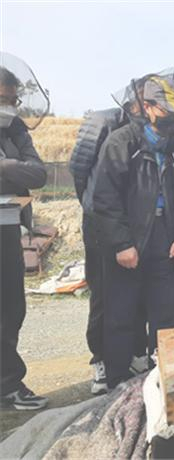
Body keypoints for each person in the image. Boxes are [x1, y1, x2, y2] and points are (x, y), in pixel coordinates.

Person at [92, 72, 174, 388]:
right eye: (167, 110)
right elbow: (105, 199)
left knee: (166, 318)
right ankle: (116, 385)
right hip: (130, 243)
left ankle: (165, 382)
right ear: (148, 106)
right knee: (121, 318)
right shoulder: (122, 142)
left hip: (167, 242)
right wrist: (122, 243)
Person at [69, 78, 150, 395]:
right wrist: (95, 211)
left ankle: (133, 354)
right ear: (134, 100)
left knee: (137, 292)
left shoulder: (152, 130)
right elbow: (78, 169)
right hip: (101, 222)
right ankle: (100, 360)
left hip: (136, 224)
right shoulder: (103, 121)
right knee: (103, 294)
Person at [0, 61, 48, 410]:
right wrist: (17, 172)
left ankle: (7, 385)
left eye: (13, 100)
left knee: (11, 307)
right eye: (4, 99)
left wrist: (6, 166)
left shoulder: (15, 129)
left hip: (7, 227)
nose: (10, 106)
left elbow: (39, 173)